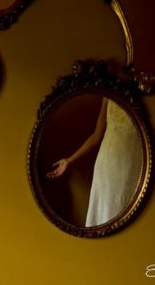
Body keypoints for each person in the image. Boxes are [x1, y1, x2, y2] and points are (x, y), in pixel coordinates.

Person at [47, 97, 142, 226]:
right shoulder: (107, 97)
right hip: (106, 165)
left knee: (126, 210)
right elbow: (97, 135)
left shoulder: (144, 94)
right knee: (103, 211)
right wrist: (69, 160)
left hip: (131, 164)